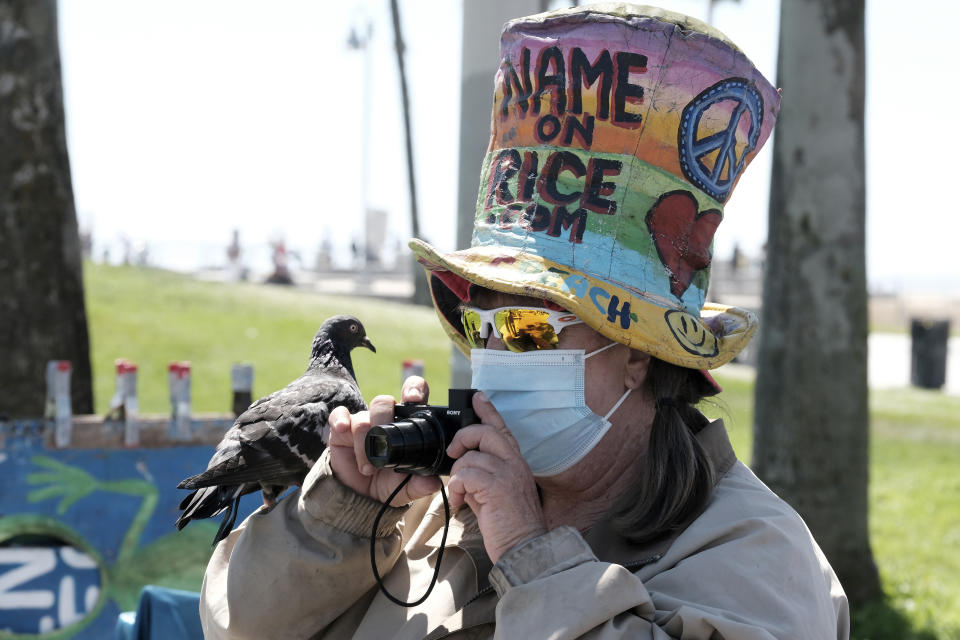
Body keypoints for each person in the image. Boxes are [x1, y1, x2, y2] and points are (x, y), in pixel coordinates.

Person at [199, 5, 849, 638]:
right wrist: (341, 515)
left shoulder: (755, 553)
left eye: (526, 329)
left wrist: (529, 558)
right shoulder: (426, 514)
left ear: (638, 354)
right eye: (475, 327)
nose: (490, 357)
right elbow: (240, 625)